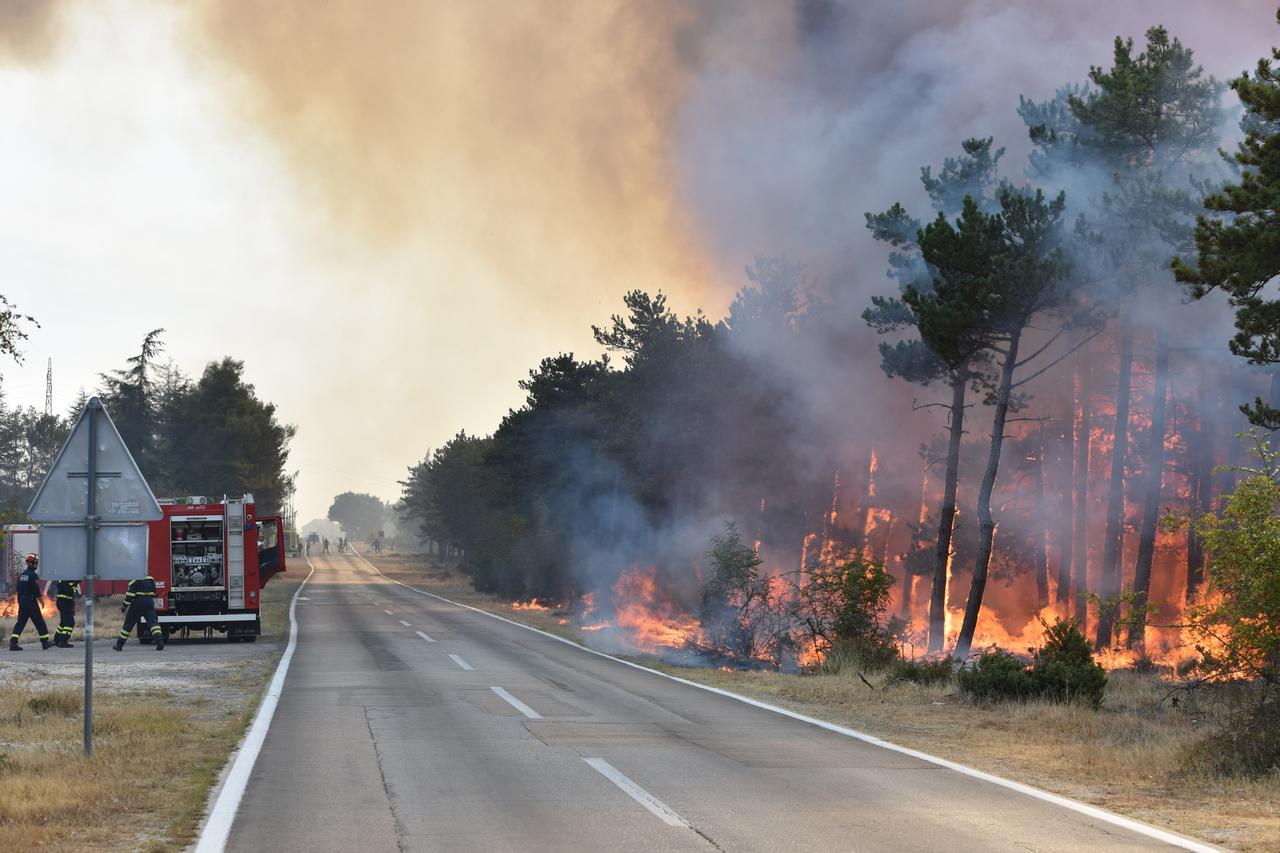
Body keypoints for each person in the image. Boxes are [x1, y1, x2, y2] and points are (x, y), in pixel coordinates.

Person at [9, 554, 52, 651]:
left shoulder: (22, 575)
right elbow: (36, 591)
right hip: (31, 602)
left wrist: (20, 601)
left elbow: (18, 589)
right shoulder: (33, 575)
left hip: (22, 601)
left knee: (20, 623)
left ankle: (13, 643)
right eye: (36, 563)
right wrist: (42, 602)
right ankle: (45, 643)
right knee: (39, 622)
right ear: (31, 564)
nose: (37, 564)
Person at [113, 575, 165, 651]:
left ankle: (119, 645)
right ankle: (160, 641)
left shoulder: (134, 579)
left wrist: (124, 606)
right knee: (153, 623)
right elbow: (154, 591)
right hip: (149, 602)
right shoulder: (151, 579)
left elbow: (130, 595)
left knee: (128, 624)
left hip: (138, 603)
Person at [53, 578, 79, 648]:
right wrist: (73, 585)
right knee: (70, 622)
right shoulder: (66, 580)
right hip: (64, 602)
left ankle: (56, 639)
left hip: (64, 602)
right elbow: (70, 592)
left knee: (64, 622)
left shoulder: (65, 578)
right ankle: (63, 641)